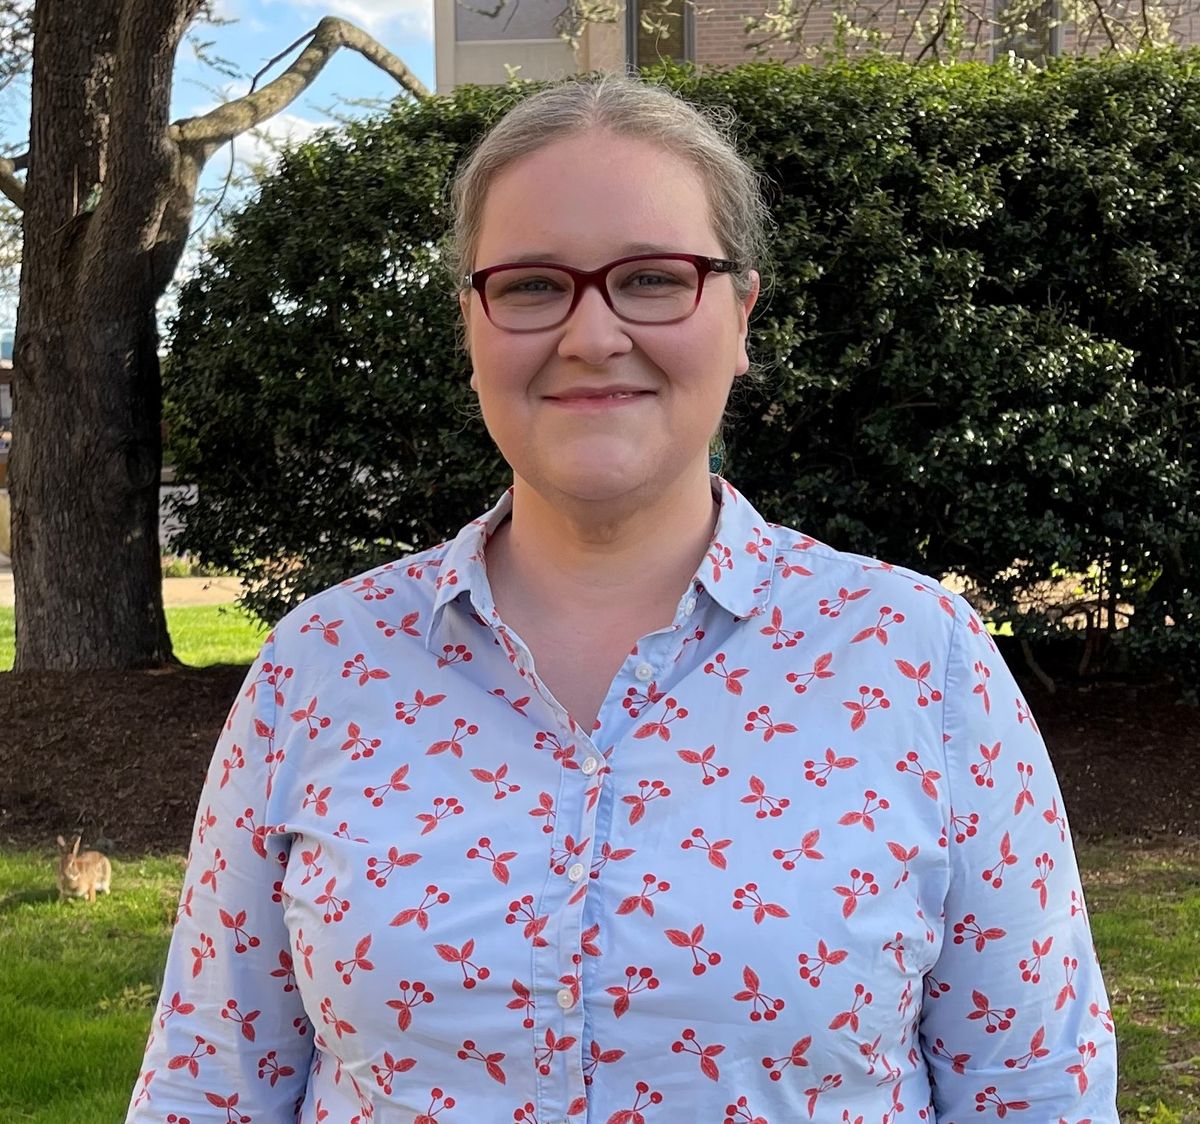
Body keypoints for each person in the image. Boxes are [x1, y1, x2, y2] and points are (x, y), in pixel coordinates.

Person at [128, 75, 1117, 1123]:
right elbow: (210, 1084)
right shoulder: (320, 665)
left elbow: (1036, 1088)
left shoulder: (921, 656)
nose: (593, 335)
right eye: (531, 284)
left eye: (652, 277)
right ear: (472, 322)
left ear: (740, 314)